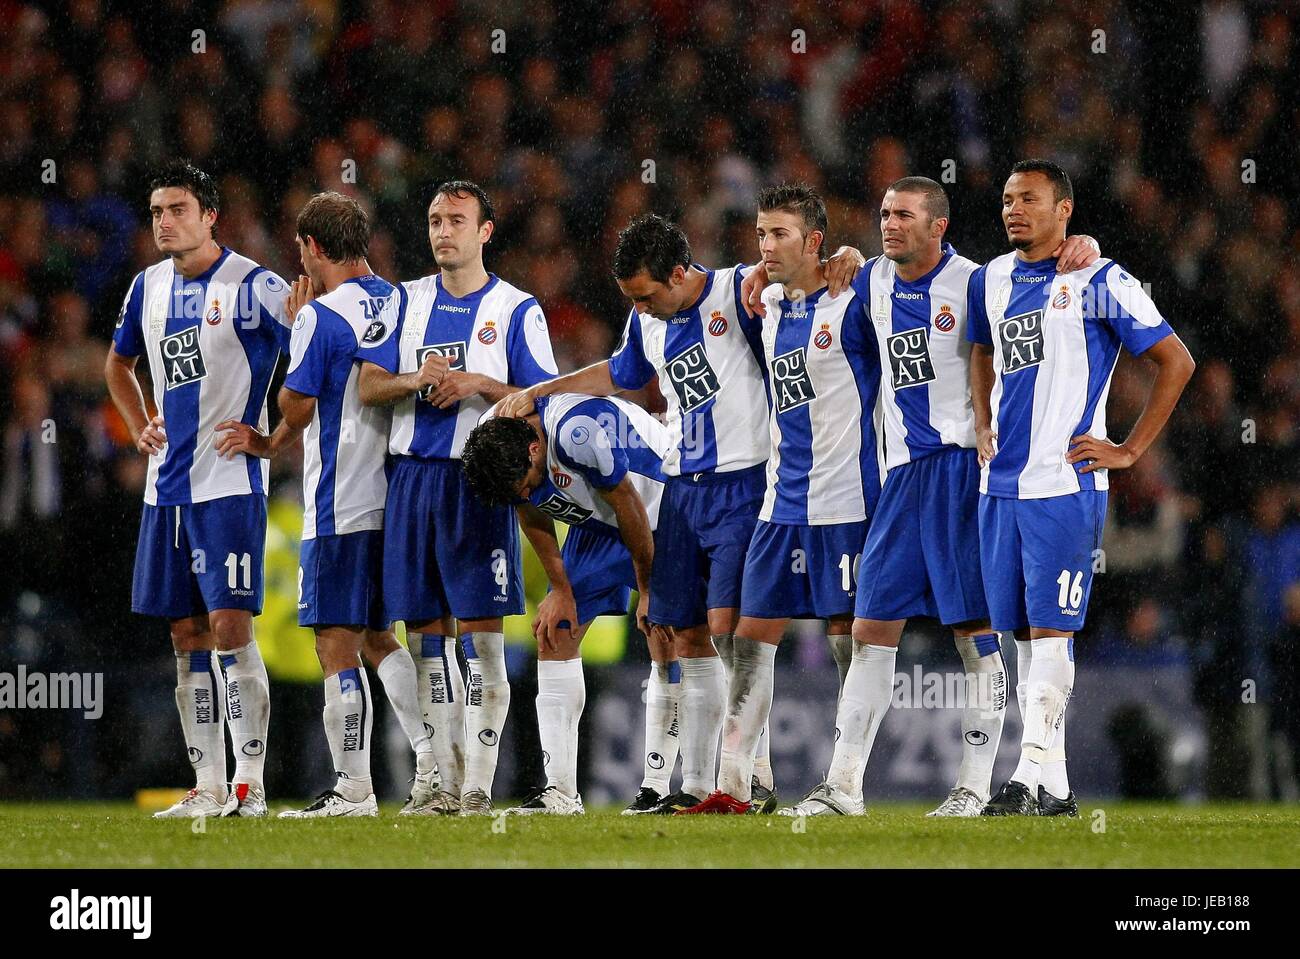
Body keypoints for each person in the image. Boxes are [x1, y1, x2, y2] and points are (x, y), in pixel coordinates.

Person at [497, 214, 863, 813]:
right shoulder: (646, 321)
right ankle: (696, 785)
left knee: (731, 633)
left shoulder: (739, 291)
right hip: (684, 487)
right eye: (631, 300)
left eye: (646, 296)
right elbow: (620, 375)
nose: (640, 309)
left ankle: (748, 777)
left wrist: (845, 256)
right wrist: (541, 393)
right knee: (688, 634)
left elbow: (804, 277)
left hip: (745, 483)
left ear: (677, 272)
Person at [777, 178, 1099, 817]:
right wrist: (815, 266)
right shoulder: (867, 280)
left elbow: (1023, 299)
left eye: (903, 215)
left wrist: (1083, 243)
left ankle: (974, 788)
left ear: (938, 226)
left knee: (973, 631)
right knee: (870, 628)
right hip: (901, 477)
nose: (889, 224)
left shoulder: (978, 282)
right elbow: (833, 316)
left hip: (961, 473)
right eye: (883, 213)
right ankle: (843, 786)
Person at [969, 159, 1194, 816]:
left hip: (1066, 484)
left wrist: (1130, 450)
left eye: (1030, 199)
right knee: (1023, 640)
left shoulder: (1100, 279)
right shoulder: (992, 277)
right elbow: (981, 348)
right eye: (1008, 199)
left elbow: (1176, 360)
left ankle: (1024, 772)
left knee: (1053, 630)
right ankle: (1059, 789)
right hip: (999, 487)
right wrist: (982, 417)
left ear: (1064, 210)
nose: (1014, 209)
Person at [216, 192, 438, 817]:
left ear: (312, 248)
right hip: (394, 496)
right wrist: (268, 446)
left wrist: (295, 329)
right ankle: (432, 763)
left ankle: (353, 787)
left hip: (338, 498)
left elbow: (298, 404)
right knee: (377, 635)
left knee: (334, 643)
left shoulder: (320, 314)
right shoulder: (401, 300)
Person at [356, 181, 559, 815]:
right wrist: (416, 379)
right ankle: (437, 781)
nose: (444, 231)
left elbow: (546, 401)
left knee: (482, 640)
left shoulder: (517, 309)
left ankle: (475, 789)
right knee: (426, 642)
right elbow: (368, 386)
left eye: (457, 220)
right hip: (412, 479)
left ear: (485, 231)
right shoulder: (404, 301)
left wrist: (479, 384)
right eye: (435, 219)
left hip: (478, 485)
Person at [679, 184, 881, 814]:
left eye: (780, 235)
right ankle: (737, 786)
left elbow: (910, 278)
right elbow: (718, 281)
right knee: (749, 637)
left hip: (846, 503)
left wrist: (855, 255)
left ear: (814, 242)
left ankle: (845, 783)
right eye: (761, 234)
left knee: (851, 639)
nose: (766, 247)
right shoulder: (765, 298)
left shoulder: (857, 300)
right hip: (779, 503)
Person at [104, 160, 288, 818]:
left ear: (210, 214)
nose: (164, 221)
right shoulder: (146, 287)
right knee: (185, 635)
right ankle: (208, 785)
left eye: (178, 208)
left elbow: (314, 356)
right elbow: (117, 363)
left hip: (229, 482)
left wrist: (274, 439)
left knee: (229, 626)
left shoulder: (254, 286)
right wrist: (137, 424)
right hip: (166, 491)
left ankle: (251, 785)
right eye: (156, 211)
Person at [461, 394, 677, 814]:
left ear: (535, 448)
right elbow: (529, 510)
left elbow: (627, 500)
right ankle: (560, 790)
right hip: (595, 522)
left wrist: (648, 590)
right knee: (554, 632)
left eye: (526, 481)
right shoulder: (497, 442)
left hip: (654, 512)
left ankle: (656, 786)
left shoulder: (578, 432)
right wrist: (560, 589)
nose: (525, 491)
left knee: (665, 635)